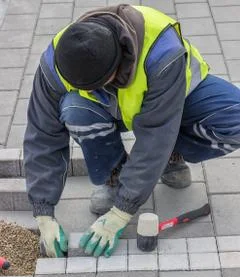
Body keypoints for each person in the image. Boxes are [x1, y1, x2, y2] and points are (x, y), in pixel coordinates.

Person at [24, 4, 240, 258]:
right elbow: (42, 134)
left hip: (171, 100)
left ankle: (170, 156)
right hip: (111, 109)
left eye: (96, 85)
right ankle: (115, 174)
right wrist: (43, 213)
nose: (91, 91)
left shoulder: (162, 52)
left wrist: (120, 212)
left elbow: (156, 132)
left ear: (119, 61)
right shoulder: (58, 59)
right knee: (74, 109)